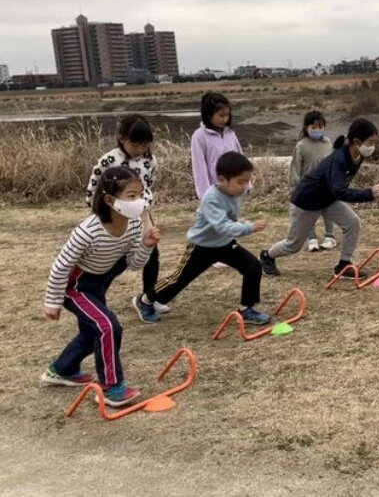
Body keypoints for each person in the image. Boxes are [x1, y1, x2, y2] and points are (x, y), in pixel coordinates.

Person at [41, 167, 160, 407]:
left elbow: (135, 264)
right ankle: (111, 387)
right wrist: (52, 302)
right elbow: (61, 266)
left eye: (140, 194)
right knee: (108, 326)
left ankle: (62, 369)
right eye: (131, 196)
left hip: (97, 284)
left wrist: (147, 245)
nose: (139, 201)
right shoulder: (88, 231)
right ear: (109, 200)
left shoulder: (134, 225)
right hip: (74, 286)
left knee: (92, 332)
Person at [133, 152, 271, 325]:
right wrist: (249, 227)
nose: (245, 187)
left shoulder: (235, 193)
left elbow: (229, 222)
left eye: (247, 181)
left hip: (225, 244)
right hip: (202, 247)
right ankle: (145, 300)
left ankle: (246, 309)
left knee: (253, 267)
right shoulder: (211, 198)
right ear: (222, 179)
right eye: (240, 182)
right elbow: (223, 225)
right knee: (179, 280)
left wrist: (244, 223)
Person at [260, 118, 379, 278]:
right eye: (370, 142)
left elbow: (337, 190)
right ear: (357, 141)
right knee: (294, 245)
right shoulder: (340, 159)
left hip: (327, 199)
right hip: (307, 201)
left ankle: (344, 266)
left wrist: (368, 194)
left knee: (352, 222)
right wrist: (369, 194)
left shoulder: (358, 155)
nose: (372, 147)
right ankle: (267, 256)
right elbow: (340, 191)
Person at [85, 114, 167, 321]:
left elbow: (149, 185)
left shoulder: (150, 160)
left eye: (144, 145)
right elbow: (93, 191)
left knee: (152, 254)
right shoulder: (108, 161)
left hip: (142, 214)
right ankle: (97, 298)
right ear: (122, 139)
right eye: (135, 145)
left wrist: (144, 208)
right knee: (118, 260)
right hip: (116, 218)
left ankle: (148, 297)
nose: (140, 150)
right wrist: (104, 218)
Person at [289, 110, 336, 252]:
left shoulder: (327, 142)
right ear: (306, 128)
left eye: (320, 127)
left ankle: (330, 237)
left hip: (326, 186)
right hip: (308, 187)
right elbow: (295, 168)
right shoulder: (301, 146)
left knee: (328, 212)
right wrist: (295, 187)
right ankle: (312, 239)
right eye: (313, 127)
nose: (317, 130)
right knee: (308, 214)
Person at [191, 92, 244, 200]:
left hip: (232, 192)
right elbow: (200, 169)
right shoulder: (199, 137)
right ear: (209, 114)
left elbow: (240, 160)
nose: (224, 119)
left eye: (227, 115)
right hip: (214, 194)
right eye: (221, 115)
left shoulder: (230, 134)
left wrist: (245, 184)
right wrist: (205, 196)